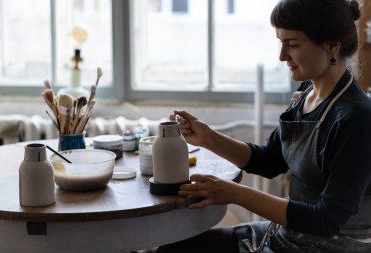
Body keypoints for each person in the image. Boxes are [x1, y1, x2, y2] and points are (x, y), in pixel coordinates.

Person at [156, 0, 371, 252]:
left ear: (332, 46)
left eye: (292, 44)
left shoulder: (357, 119)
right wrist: (207, 137)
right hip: (289, 236)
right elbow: (269, 160)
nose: (282, 56)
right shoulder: (306, 93)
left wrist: (237, 194)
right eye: (280, 42)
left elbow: (326, 220)